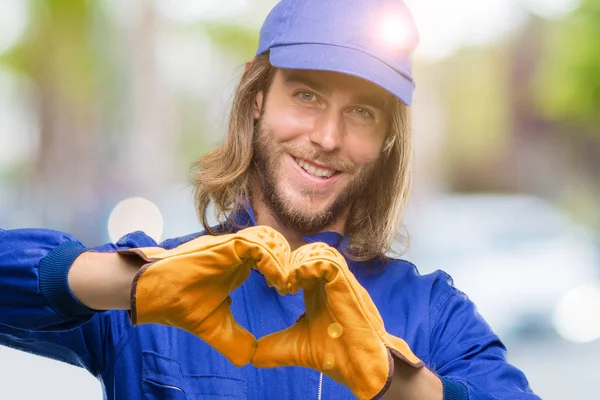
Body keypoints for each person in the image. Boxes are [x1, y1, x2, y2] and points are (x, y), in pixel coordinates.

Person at [0, 0, 540, 399]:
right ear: (257, 98)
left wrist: (397, 383)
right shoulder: (149, 283)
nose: (327, 137)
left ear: (386, 142)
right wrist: (132, 283)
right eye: (307, 94)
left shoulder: (435, 315)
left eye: (363, 112)